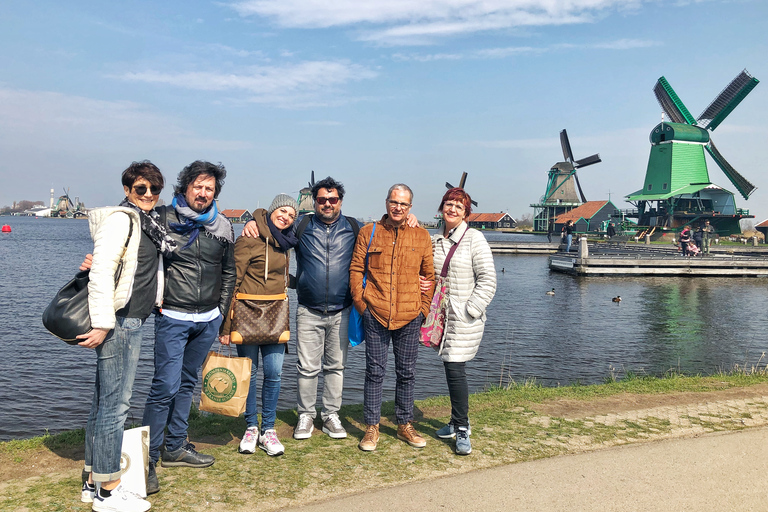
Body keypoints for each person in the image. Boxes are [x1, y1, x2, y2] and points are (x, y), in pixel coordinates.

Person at [240, 177, 419, 442]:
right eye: (322, 199)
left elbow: (384, 232)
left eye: (332, 199)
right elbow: (274, 231)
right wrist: (254, 221)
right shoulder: (301, 225)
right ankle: (306, 415)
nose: (327, 204)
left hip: (342, 309)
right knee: (307, 367)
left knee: (336, 366)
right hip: (308, 309)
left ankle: (331, 414)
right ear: (314, 201)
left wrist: (408, 218)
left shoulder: (355, 227)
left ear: (340, 201)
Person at [78, 161, 175, 512]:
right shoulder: (122, 219)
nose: (148, 195)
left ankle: (92, 481)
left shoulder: (148, 223)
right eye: (141, 189)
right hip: (120, 321)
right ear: (127, 190)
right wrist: (103, 322)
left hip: (134, 319)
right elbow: (101, 271)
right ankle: (109, 489)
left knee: (103, 401)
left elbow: (143, 269)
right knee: (116, 405)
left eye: (154, 190)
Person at [141, 161, 235, 492]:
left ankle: (175, 447)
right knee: (164, 386)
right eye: (198, 186)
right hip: (173, 317)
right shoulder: (164, 218)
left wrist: (220, 313)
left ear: (215, 193)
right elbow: (138, 253)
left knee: (187, 384)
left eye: (209, 188)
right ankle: (146, 460)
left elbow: (228, 273)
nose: (203, 192)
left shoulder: (222, 227)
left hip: (207, 319)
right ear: (185, 188)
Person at [349, 184, 435, 452]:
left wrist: (423, 309)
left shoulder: (421, 236)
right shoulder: (369, 232)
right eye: (394, 202)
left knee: (406, 373)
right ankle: (372, 426)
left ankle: (404, 423)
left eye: (404, 204)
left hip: (410, 316)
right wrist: (361, 303)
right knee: (375, 372)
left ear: (410, 207)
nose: (398, 208)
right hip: (376, 313)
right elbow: (355, 268)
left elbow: (429, 276)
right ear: (386, 203)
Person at [220, 194, 298, 456]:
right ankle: (252, 427)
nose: (286, 217)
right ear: (273, 210)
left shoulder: (285, 242)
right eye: (283, 211)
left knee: (274, 374)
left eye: (291, 215)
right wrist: (226, 327)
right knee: (249, 374)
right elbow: (233, 281)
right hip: (248, 314)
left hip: (276, 314)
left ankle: (269, 430)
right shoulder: (249, 238)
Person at [427, 188, 496, 455]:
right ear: (441, 208)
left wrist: (472, 310)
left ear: (466, 212)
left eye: (458, 206)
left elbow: (488, 280)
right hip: (442, 317)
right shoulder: (436, 240)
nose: (452, 209)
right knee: (449, 367)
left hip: (464, 316)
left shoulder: (474, 239)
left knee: (455, 368)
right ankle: (455, 420)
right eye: (448, 204)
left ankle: (463, 427)